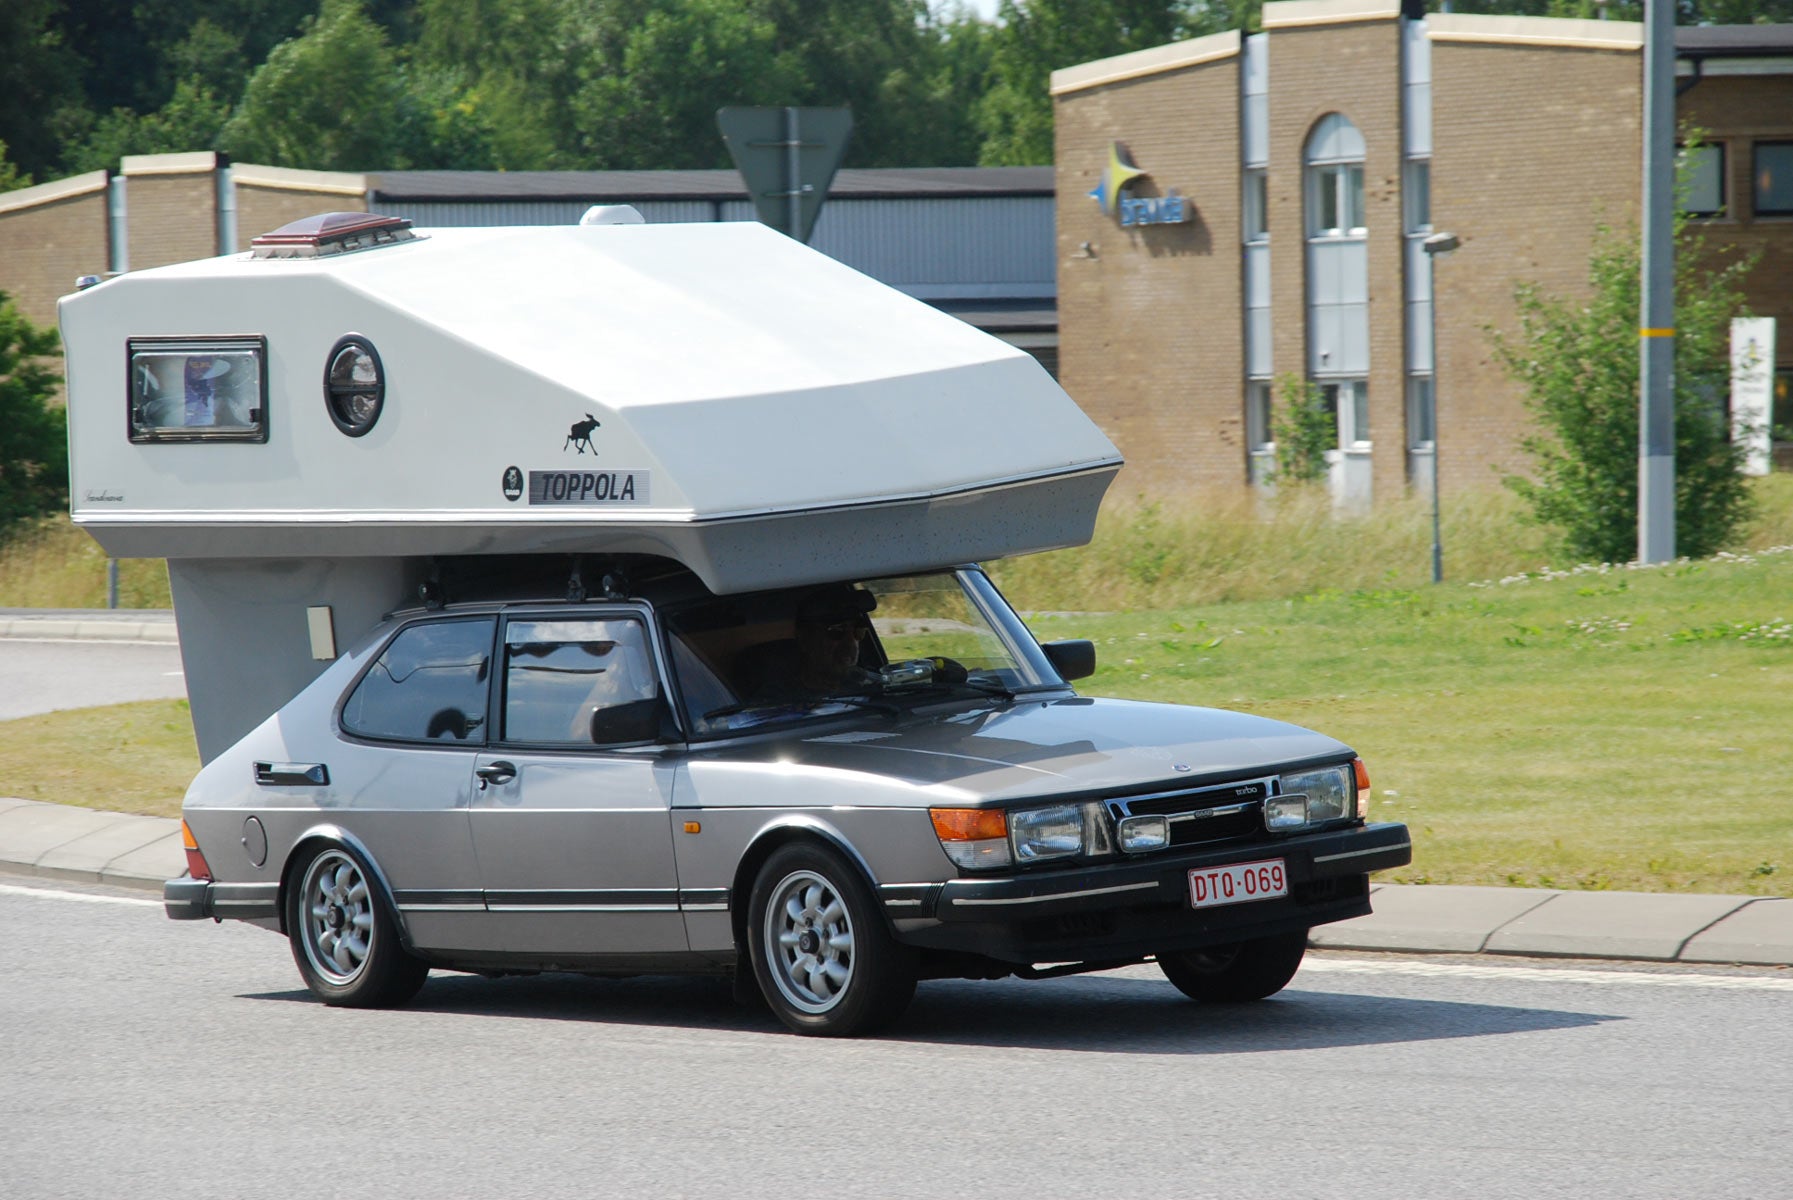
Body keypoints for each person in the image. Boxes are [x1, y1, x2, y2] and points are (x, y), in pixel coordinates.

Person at [753, 585, 879, 702]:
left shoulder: (871, 685)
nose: (851, 643)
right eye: (837, 630)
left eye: (858, 630)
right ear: (805, 639)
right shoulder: (774, 701)